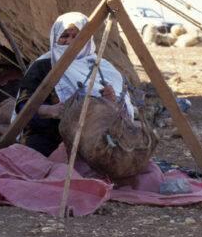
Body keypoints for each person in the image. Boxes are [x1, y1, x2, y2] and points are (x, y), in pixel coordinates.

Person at [14, 12, 134, 156]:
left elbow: (124, 114)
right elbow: (23, 108)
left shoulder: (102, 67)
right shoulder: (43, 66)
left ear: (87, 39)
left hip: (92, 144)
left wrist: (111, 102)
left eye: (77, 37)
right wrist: (51, 110)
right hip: (48, 142)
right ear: (55, 38)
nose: (70, 42)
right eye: (64, 36)